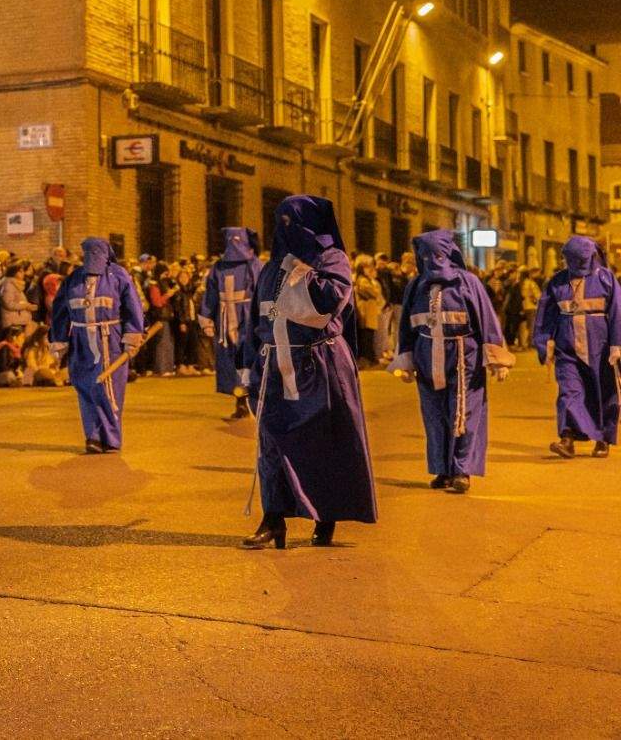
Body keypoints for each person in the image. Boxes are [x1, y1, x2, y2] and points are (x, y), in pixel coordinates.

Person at [236, 195, 376, 550]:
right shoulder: (270, 267)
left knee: (321, 446)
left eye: (293, 222)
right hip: (275, 368)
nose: (286, 230)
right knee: (272, 444)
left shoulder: (332, 260)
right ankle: (273, 519)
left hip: (319, 366)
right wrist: (248, 365)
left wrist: (301, 271)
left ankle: (324, 517)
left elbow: (328, 304)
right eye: (280, 221)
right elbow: (257, 319)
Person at [388, 230, 514, 493]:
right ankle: (442, 469)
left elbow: (487, 320)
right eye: (425, 255)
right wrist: (406, 359)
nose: (432, 260)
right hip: (426, 357)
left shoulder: (468, 282)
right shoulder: (416, 285)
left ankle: (461, 470)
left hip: (463, 357)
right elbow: (406, 327)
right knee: (434, 416)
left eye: (437, 255)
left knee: (463, 412)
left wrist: (497, 359)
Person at [49, 238, 145, 454]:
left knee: (108, 389)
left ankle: (110, 437)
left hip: (109, 339)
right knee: (85, 386)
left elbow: (133, 306)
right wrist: (59, 339)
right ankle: (92, 436)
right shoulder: (73, 279)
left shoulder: (118, 276)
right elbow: (60, 311)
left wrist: (132, 334)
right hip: (81, 339)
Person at [532, 235, 621, 459]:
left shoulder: (606, 279)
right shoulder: (557, 282)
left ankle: (602, 439)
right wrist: (544, 343)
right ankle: (567, 438)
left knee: (603, 393)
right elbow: (545, 314)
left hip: (600, 349)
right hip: (567, 348)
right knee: (569, 392)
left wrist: (616, 345)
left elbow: (617, 313)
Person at [199, 227, 262, 420]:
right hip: (226, 319)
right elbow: (210, 295)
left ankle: (255, 400)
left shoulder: (254, 264)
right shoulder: (218, 267)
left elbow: (264, 291)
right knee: (231, 361)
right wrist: (207, 319)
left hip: (248, 317)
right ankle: (241, 401)